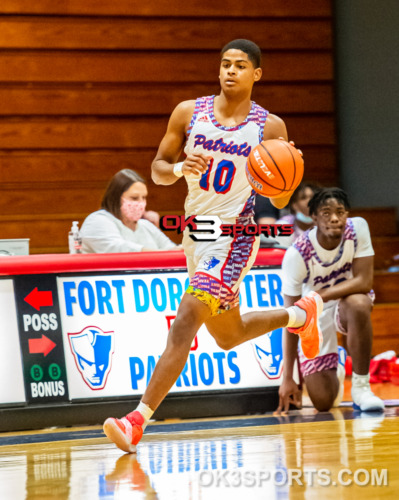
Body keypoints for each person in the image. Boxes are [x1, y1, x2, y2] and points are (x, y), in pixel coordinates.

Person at [103, 38, 323, 453]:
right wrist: (178, 166)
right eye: (225, 64)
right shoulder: (189, 112)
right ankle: (300, 313)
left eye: (240, 65)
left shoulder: (270, 127)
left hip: (234, 237)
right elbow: (157, 172)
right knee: (228, 334)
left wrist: (290, 178)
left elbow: (277, 200)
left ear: (256, 74)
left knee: (186, 318)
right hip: (196, 234)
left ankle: (137, 421)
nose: (230, 71)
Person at [276, 187, 385, 414]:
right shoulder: (297, 254)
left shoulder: (358, 229)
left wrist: (319, 295)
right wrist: (288, 377)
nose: (334, 218)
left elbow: (364, 281)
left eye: (340, 212)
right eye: (326, 213)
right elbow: (290, 318)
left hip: (346, 303)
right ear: (314, 217)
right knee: (323, 403)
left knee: (359, 303)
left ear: (347, 214)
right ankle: (337, 361)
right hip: (313, 315)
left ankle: (361, 387)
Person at [80, 169, 178, 253]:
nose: (141, 203)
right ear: (116, 197)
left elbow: (172, 250)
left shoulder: (145, 225)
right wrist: (161, 254)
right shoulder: (97, 221)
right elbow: (120, 250)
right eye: (134, 198)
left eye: (143, 197)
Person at [271, 182, 317, 248]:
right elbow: (282, 255)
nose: (310, 201)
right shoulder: (283, 226)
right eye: (303, 198)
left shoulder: (324, 223)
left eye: (311, 197)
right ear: (294, 205)